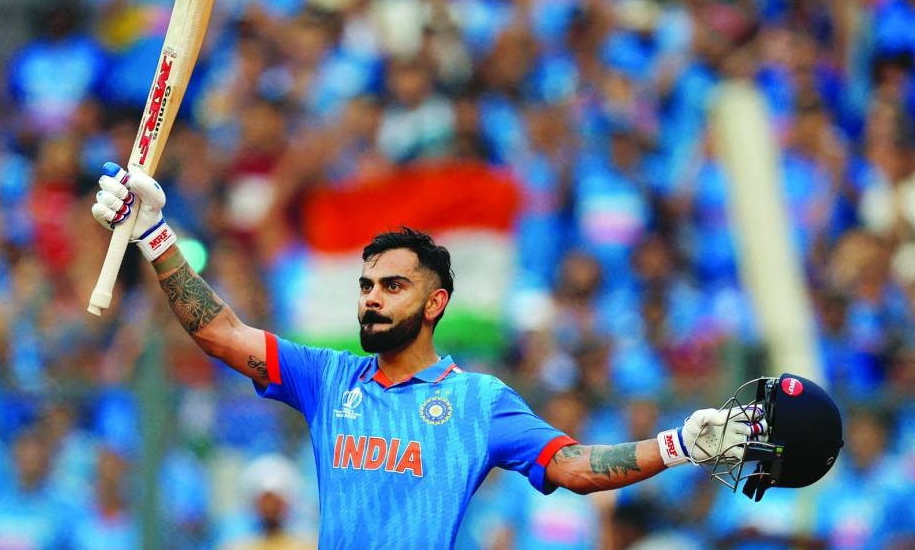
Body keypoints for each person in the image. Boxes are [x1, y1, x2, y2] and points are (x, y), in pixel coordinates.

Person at [90, 162, 768, 549]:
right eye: (366, 288)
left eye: (392, 287)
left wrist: (680, 444)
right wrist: (154, 233)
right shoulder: (330, 378)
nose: (371, 301)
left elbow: (574, 468)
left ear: (435, 302)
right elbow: (219, 333)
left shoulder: (480, 402)